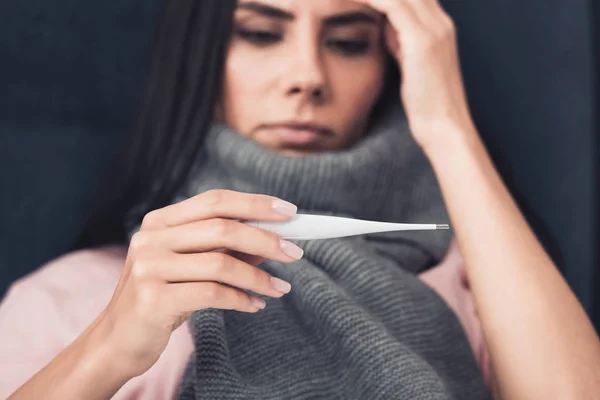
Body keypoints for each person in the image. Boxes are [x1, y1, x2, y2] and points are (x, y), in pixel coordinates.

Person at [2, 0, 599, 399]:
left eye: (347, 43)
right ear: (201, 57)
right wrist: (109, 348)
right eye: (261, 34)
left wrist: (447, 125)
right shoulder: (73, 300)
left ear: (388, 65)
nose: (308, 75)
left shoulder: (483, 291)